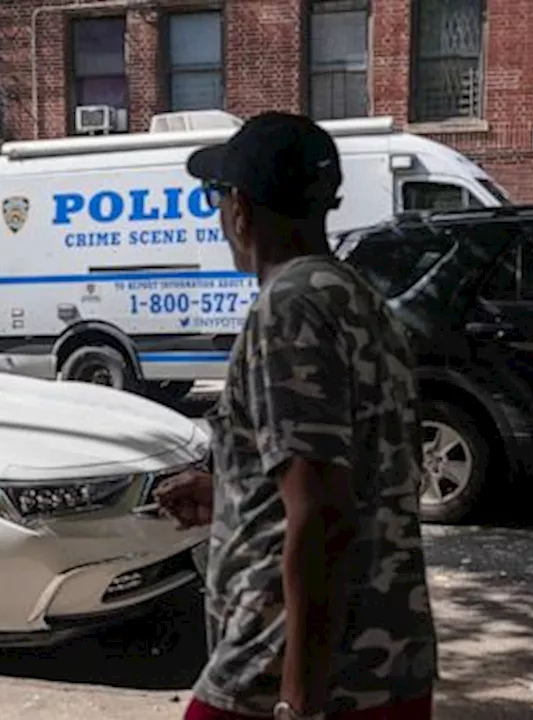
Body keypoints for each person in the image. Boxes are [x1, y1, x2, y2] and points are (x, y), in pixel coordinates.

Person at [155, 112, 437, 720]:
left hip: (284, 670)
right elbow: (351, 469)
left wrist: (297, 701)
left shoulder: (287, 306)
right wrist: (232, 490)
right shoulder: (362, 300)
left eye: (217, 197)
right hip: (390, 660)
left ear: (241, 209)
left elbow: (323, 513)